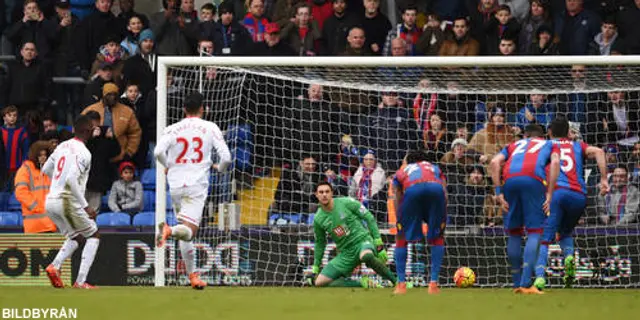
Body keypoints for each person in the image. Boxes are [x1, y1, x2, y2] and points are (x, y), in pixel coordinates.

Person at [154, 92, 232, 290]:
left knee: (185, 227)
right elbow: (227, 157)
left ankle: (192, 275)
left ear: (183, 109)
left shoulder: (172, 128)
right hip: (196, 184)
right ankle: (168, 230)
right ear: (202, 108)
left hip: (176, 184)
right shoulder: (210, 127)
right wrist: (219, 169)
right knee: (188, 231)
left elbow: (157, 152)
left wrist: (168, 165)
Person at [531, 117, 608, 292]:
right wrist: (604, 180)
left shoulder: (547, 146)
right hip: (579, 196)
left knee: (544, 238)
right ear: (568, 132)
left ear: (549, 132)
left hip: (557, 193)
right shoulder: (578, 145)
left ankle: (540, 279)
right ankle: (568, 260)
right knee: (565, 231)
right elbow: (599, 152)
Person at [489, 124, 552, 293]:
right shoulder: (548, 144)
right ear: (542, 135)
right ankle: (526, 284)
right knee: (535, 231)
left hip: (510, 181)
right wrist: (550, 193)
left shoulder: (513, 145)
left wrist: (498, 192)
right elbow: (555, 164)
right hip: (533, 180)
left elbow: (494, 162)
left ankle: (516, 282)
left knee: (514, 232)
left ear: (525, 135)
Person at [43, 115, 99, 289]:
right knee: (93, 235)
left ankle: (54, 266)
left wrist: (56, 184)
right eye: (93, 128)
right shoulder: (84, 153)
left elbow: (45, 169)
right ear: (88, 131)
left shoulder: (62, 146)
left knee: (76, 236)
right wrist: (86, 206)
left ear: (74, 129)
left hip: (51, 200)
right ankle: (80, 282)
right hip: (67, 200)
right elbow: (71, 180)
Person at [310, 181, 396, 288]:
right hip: (346, 252)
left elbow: (369, 217)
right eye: (321, 192)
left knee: (366, 255)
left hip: (362, 241)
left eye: (327, 191)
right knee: (319, 282)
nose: (324, 195)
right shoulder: (318, 218)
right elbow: (320, 243)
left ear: (332, 193)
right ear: (316, 195)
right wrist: (315, 267)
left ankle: (396, 282)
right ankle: (361, 283)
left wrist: (378, 241)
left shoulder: (346, 202)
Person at [392, 151, 447, 295]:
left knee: (401, 237)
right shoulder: (435, 168)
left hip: (413, 190)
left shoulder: (403, 170)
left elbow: (397, 194)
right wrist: (442, 217)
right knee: (437, 237)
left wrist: (399, 217)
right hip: (436, 190)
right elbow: (444, 191)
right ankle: (433, 284)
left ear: (409, 161)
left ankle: (401, 285)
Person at [14, 141, 56, 233]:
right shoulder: (25, 170)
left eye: (45, 155)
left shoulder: (49, 170)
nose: (43, 157)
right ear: (34, 155)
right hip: (35, 225)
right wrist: (37, 207)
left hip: (51, 224)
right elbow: (21, 193)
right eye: (40, 155)